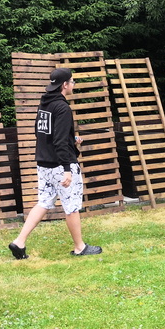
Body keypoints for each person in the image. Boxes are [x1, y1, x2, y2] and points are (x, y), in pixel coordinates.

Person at [8, 67, 101, 258]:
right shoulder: (62, 108)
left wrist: (71, 140)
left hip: (44, 164)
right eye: (72, 81)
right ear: (64, 85)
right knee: (71, 206)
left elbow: (41, 133)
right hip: (61, 165)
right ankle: (80, 247)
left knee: (44, 202)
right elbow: (58, 141)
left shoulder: (44, 104)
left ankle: (19, 242)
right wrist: (67, 169)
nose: (73, 84)